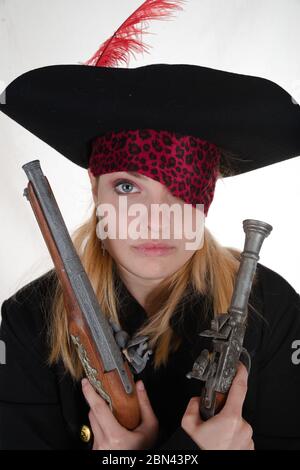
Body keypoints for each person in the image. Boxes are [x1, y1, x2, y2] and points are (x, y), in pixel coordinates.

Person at [1, 59, 300, 451]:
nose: (156, 221)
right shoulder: (28, 321)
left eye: (182, 188)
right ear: (96, 189)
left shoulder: (272, 307)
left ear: (208, 195)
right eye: (127, 187)